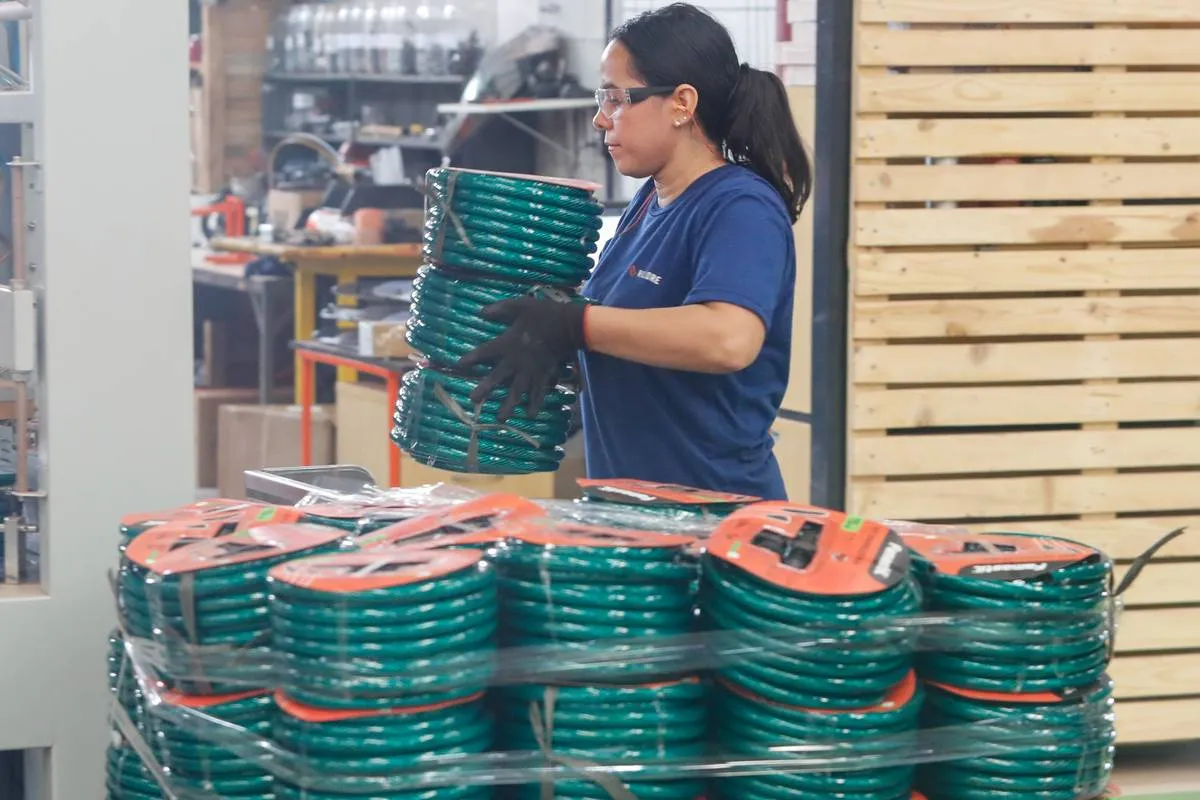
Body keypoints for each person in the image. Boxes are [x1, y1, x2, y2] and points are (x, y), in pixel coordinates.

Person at [458, 2, 812, 501]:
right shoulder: (649, 201)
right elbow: (631, 335)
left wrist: (577, 325)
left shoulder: (740, 207)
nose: (601, 119)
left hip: (712, 515)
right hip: (631, 512)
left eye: (616, 98)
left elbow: (728, 339)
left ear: (682, 103)